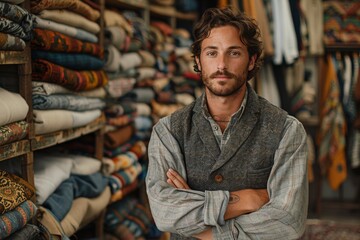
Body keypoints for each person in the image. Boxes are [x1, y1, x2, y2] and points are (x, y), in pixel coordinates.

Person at [145, 7, 308, 240]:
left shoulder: (287, 130)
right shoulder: (168, 131)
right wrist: (248, 199)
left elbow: (287, 222)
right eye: (212, 53)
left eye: (234, 53)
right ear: (198, 61)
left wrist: (202, 224)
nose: (221, 65)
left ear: (251, 61)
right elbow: (165, 213)